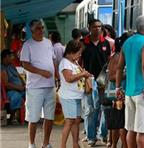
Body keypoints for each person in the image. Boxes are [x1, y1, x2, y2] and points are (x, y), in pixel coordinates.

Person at [116, 15, 144, 148]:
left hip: (130, 92)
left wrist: (118, 88)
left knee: (132, 129)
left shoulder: (127, 43)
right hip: (143, 92)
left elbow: (119, 67)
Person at [20, 20, 56, 148]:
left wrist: (56, 76)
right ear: (32, 31)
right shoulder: (28, 45)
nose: (41, 30)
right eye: (38, 29)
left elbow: (52, 60)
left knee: (49, 117)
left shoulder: (48, 42)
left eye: (42, 28)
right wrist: (41, 72)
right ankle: (32, 143)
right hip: (35, 87)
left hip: (50, 85)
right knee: (33, 117)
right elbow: (25, 64)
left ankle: (46, 143)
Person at [81, 19, 111, 146]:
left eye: (99, 27)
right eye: (94, 27)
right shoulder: (83, 43)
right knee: (90, 110)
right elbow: (78, 61)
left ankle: (103, 134)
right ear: (89, 28)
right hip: (88, 80)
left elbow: (109, 61)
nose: (97, 29)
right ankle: (91, 137)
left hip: (104, 80)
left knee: (105, 108)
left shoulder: (106, 43)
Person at [58, 40, 91, 148]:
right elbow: (69, 78)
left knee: (76, 121)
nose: (80, 55)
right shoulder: (64, 63)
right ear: (71, 52)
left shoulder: (74, 62)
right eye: (78, 53)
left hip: (76, 96)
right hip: (68, 97)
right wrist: (82, 74)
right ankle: (63, 145)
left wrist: (84, 74)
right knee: (69, 121)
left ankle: (75, 144)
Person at [1, 49, 25, 124]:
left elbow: (19, 77)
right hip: (10, 91)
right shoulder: (2, 68)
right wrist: (18, 88)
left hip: (20, 89)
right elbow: (6, 84)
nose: (12, 58)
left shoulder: (12, 66)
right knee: (16, 97)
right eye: (10, 56)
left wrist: (24, 84)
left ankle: (28, 117)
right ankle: (12, 117)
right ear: (5, 57)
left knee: (32, 94)